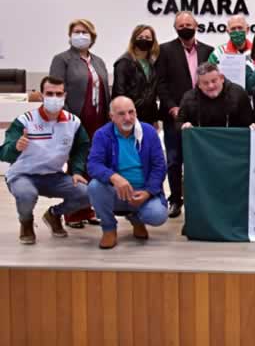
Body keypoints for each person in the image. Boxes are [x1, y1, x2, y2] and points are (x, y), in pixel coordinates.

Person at [0, 76, 90, 244]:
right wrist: (15, 147)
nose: (54, 98)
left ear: (65, 95)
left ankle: (54, 215)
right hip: (23, 175)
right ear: (41, 96)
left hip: (53, 176)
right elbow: (3, 153)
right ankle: (26, 222)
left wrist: (77, 171)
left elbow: (82, 146)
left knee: (87, 193)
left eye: (58, 94)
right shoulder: (25, 121)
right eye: (49, 93)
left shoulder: (73, 122)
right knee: (27, 195)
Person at [49, 18, 109, 227]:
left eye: (84, 31)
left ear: (92, 36)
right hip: (75, 119)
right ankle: (73, 213)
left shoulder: (98, 61)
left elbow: (104, 90)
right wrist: (65, 117)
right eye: (76, 31)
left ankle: (89, 208)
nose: (80, 35)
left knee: (94, 165)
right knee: (77, 165)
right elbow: (55, 91)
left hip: (99, 120)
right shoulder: (62, 59)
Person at [86, 97, 168, 249]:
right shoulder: (102, 134)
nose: (128, 118)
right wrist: (114, 177)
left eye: (131, 112)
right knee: (94, 187)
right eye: (122, 114)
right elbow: (93, 165)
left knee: (158, 215)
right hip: (116, 192)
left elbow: (160, 166)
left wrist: (149, 192)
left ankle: (136, 219)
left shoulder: (149, 132)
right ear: (112, 117)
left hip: (143, 192)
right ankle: (109, 228)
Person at [155, 11, 213, 217]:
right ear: (175, 28)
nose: (185, 27)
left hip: (203, 115)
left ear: (196, 25)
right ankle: (176, 200)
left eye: (189, 24)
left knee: (199, 160)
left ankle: (198, 199)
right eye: (181, 25)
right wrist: (172, 107)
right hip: (174, 114)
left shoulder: (209, 51)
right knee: (174, 159)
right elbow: (160, 83)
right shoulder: (164, 51)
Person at [178, 62, 253, 129]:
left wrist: (252, 126)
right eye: (205, 83)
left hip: (231, 141)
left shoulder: (238, 93)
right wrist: (184, 125)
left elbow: (248, 122)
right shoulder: (189, 98)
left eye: (214, 81)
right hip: (202, 143)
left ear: (222, 78)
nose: (211, 86)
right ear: (199, 85)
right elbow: (178, 123)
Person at [112, 24, 160, 124]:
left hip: (148, 118)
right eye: (140, 37)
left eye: (148, 37)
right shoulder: (124, 62)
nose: (144, 40)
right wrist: (125, 116)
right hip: (129, 116)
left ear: (153, 41)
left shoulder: (152, 63)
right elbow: (119, 93)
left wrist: (155, 118)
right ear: (134, 40)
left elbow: (152, 93)